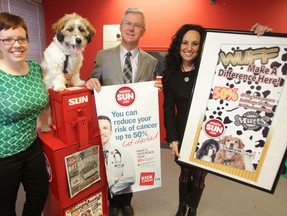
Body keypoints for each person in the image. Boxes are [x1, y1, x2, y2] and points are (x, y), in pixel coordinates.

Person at [162, 23, 272, 216]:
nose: (189, 48)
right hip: (183, 133)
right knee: (185, 173)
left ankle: (192, 209)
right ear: (178, 44)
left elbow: (246, 63)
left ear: (202, 46)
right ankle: (182, 206)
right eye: (184, 42)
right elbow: (168, 109)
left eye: (195, 43)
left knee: (199, 176)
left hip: (209, 133)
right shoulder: (170, 74)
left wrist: (261, 36)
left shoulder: (213, 69)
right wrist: (172, 139)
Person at [85, 8, 161, 216]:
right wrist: (89, 82)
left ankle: (126, 200)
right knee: (111, 161)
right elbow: (92, 82)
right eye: (128, 23)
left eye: (137, 25)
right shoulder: (103, 56)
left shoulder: (151, 61)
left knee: (131, 159)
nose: (131, 28)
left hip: (133, 124)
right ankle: (113, 200)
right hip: (111, 122)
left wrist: (155, 90)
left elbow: (147, 93)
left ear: (143, 31)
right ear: (120, 27)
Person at [0, 12, 49, 216]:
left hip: (31, 145)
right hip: (3, 155)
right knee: (5, 208)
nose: (16, 45)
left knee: (39, 195)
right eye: (8, 39)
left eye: (21, 38)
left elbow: (58, 84)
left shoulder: (36, 69)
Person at [98, 115, 136, 197]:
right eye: (98, 129)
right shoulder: (92, 156)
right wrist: (116, 178)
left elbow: (130, 178)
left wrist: (111, 190)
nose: (101, 132)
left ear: (111, 132)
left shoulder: (124, 154)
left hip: (121, 194)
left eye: (105, 128)